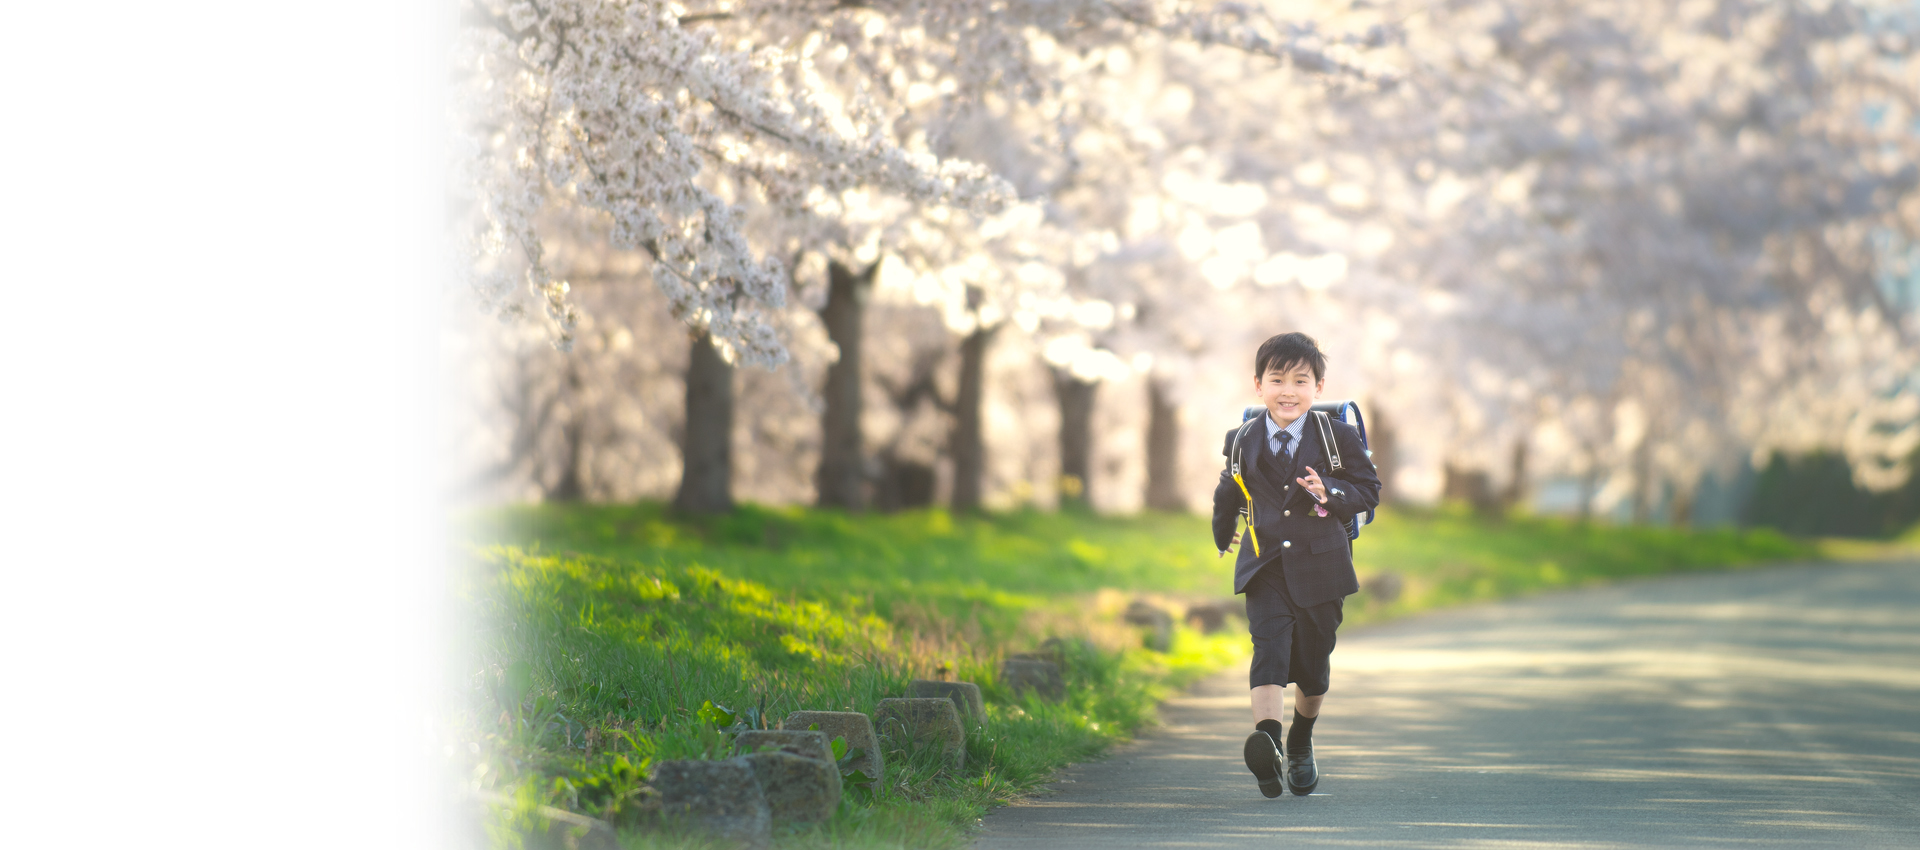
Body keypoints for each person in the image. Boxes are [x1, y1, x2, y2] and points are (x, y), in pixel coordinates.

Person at [1211, 332, 1380, 799]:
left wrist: (1331, 491)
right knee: (1267, 650)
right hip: (1264, 566)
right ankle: (1267, 744)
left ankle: (1299, 742)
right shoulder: (1241, 438)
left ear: (1319, 388)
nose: (1288, 390)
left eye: (1300, 381)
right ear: (1258, 385)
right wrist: (1223, 533)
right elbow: (1229, 490)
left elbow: (1369, 491)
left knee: (1312, 666)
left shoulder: (1337, 437)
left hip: (1323, 568)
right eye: (1277, 379)